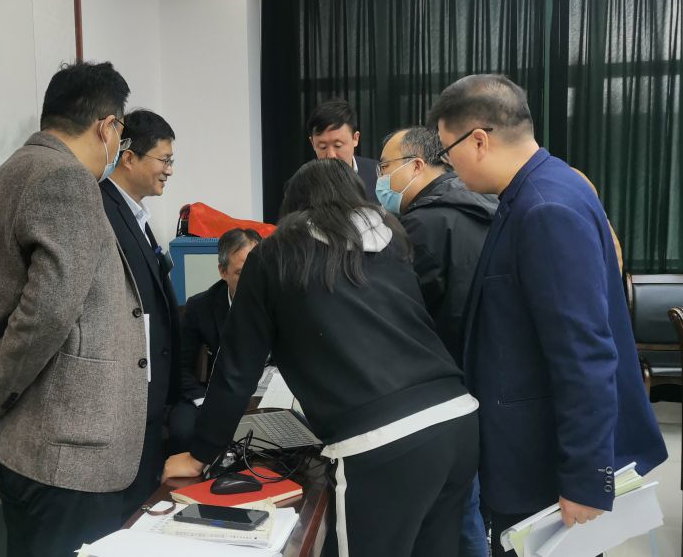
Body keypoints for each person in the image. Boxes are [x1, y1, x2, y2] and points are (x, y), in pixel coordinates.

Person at [164, 159, 480, 556]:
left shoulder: (277, 254)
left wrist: (201, 454)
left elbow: (236, 369)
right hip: (457, 420)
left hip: (382, 442)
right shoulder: (392, 243)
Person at [427, 74, 667, 556]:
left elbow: (584, 352)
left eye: (447, 151)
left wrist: (584, 477)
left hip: (544, 464)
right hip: (534, 451)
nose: (447, 166)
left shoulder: (545, 207)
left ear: (478, 140)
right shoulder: (541, 188)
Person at [0, 62, 149, 556]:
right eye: (121, 131)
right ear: (106, 126)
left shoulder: (8, 173)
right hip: (65, 449)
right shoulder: (66, 179)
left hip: (32, 441)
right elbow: (48, 310)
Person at [377, 126, 496, 557]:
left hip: (439, 389)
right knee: (470, 507)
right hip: (484, 377)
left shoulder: (422, 225)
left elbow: (398, 316)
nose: (380, 179)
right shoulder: (483, 205)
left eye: (385, 167)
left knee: (453, 513)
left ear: (416, 165)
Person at [100, 108, 181, 515]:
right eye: (164, 160)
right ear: (128, 157)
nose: (169, 170)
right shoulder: (102, 209)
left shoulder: (136, 215)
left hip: (150, 394)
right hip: (124, 398)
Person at [167, 228, 262, 454]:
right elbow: (180, 367)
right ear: (223, 271)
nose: (251, 280)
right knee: (182, 431)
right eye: (240, 272)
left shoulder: (280, 301)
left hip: (265, 391)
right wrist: (203, 402)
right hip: (214, 390)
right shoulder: (200, 307)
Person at [288, 98, 379, 203]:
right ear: (312, 143)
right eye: (323, 147)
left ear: (355, 138)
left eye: (338, 145)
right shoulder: (300, 184)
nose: (331, 155)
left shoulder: (378, 174)